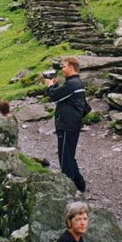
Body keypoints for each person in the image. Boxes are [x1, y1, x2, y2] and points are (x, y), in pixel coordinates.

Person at [44, 56, 87, 192]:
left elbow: (55, 97)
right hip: (72, 124)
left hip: (67, 125)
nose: (62, 69)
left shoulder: (72, 84)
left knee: (65, 157)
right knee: (69, 154)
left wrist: (50, 85)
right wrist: (55, 86)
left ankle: (68, 187)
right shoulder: (75, 83)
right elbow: (62, 96)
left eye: (64, 66)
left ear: (71, 67)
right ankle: (80, 185)